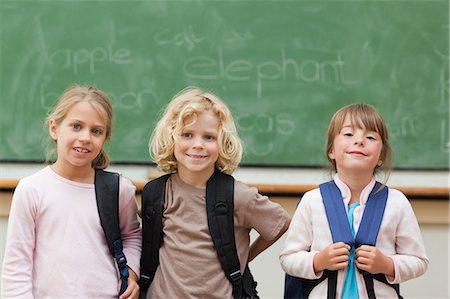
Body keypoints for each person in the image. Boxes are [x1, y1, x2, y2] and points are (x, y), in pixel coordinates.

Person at [142, 87, 290, 298]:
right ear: (171, 138)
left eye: (209, 137)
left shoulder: (237, 196)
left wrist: (244, 257)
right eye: (187, 135)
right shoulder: (156, 193)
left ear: (223, 142)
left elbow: (280, 223)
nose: (198, 145)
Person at [1, 85, 142, 299]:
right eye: (76, 126)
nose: (85, 137)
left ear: (105, 138)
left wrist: (131, 274)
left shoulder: (118, 189)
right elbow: (16, 267)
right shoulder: (31, 189)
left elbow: (132, 235)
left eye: (96, 131)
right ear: (54, 128)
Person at [279, 103, 428, 298]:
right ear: (331, 150)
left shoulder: (396, 202)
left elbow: (419, 261)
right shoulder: (312, 201)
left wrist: (387, 264)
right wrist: (318, 261)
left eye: (370, 137)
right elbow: (288, 259)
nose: (359, 141)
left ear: (381, 156)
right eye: (348, 134)